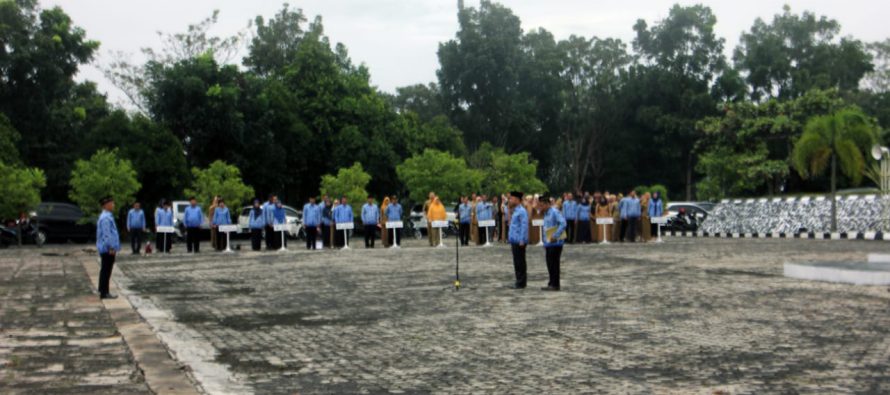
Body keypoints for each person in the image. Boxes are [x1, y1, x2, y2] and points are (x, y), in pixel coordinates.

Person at [96, 196, 120, 299]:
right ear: (106, 205)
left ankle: (103, 290)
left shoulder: (107, 216)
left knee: (105, 270)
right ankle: (104, 292)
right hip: (107, 248)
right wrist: (110, 247)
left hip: (106, 248)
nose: (113, 205)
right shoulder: (105, 218)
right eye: (112, 203)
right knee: (106, 270)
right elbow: (106, 234)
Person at [540, 196, 566, 291]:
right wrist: (544, 242)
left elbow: (563, 223)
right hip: (549, 243)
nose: (541, 207)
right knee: (549, 264)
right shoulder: (546, 214)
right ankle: (551, 283)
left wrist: (556, 235)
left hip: (556, 243)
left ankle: (555, 284)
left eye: (542, 205)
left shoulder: (554, 212)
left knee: (554, 264)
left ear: (547, 204)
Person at [507, 191, 529, 289]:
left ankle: (521, 282)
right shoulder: (515, 210)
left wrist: (522, 240)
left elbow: (524, 226)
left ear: (516, 200)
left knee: (520, 262)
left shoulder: (522, 211)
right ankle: (519, 280)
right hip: (514, 240)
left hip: (519, 241)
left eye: (511, 198)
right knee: (516, 262)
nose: (510, 200)